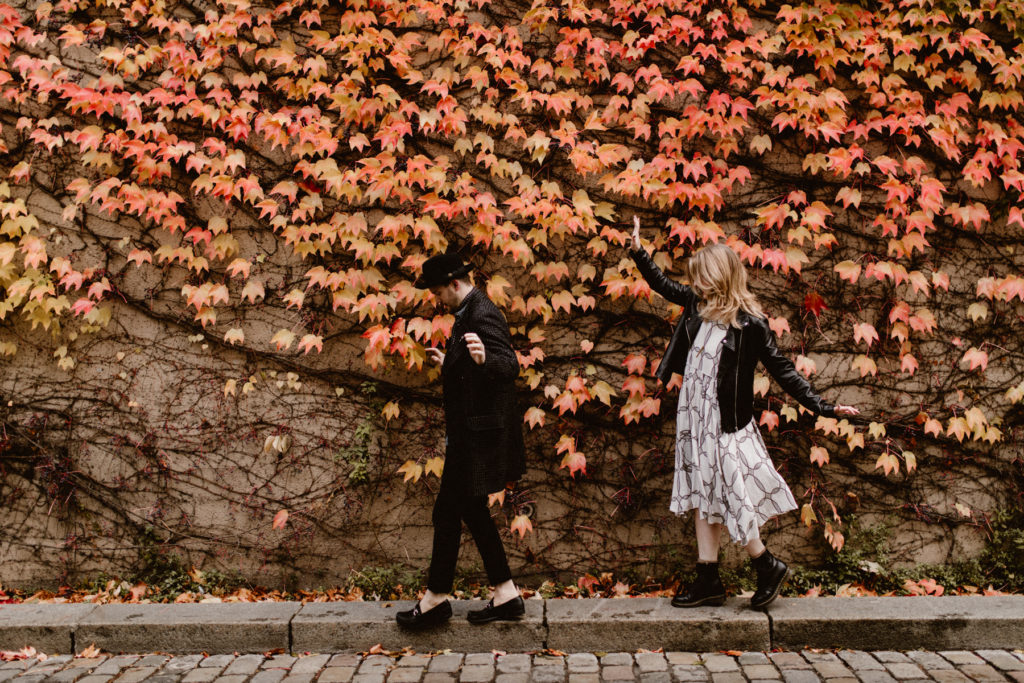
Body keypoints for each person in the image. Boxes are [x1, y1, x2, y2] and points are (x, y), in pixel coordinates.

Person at [628, 216, 859, 609]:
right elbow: (664, 286)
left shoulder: (749, 325)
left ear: (719, 278)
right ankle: (709, 579)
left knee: (733, 497)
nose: (694, 284)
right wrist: (639, 253)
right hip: (694, 421)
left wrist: (822, 405)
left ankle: (765, 564)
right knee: (705, 495)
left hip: (724, 427)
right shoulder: (695, 306)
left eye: (701, 277)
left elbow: (783, 370)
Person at [396, 253, 527, 629]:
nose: (437, 300)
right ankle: (505, 593)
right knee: (468, 512)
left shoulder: (481, 312)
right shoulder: (468, 311)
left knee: (449, 513)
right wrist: (450, 360)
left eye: (438, 292)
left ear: (455, 284)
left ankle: (437, 599)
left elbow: (509, 366)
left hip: (476, 438)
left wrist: (486, 359)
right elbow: (470, 369)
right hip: (470, 434)